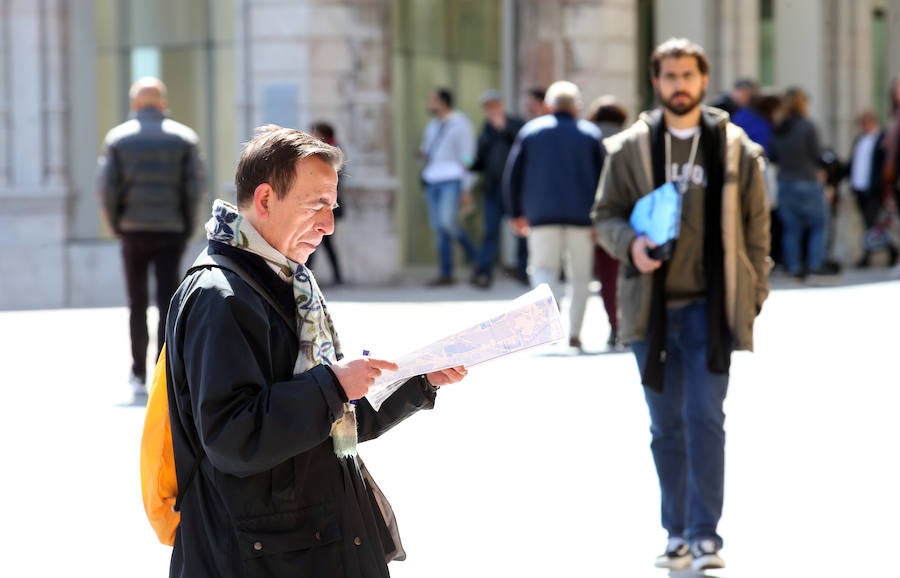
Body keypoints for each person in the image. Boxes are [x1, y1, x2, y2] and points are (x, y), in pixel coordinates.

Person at [164, 125, 467, 578]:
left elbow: (327, 424)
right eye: (317, 206)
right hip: (259, 555)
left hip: (304, 542)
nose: (328, 225)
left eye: (333, 207)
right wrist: (332, 384)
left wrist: (418, 380)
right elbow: (232, 438)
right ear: (265, 200)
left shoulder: (285, 280)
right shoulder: (220, 295)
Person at [592, 38, 770, 572]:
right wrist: (632, 245)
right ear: (657, 82)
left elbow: (759, 229)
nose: (679, 84)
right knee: (665, 424)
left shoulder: (735, 147)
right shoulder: (630, 149)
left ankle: (704, 534)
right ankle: (676, 534)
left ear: (702, 79)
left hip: (711, 310)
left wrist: (754, 292)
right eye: (669, 75)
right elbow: (605, 216)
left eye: (688, 74)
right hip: (652, 309)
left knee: (704, 419)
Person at [97, 76, 205, 398]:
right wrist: (187, 226)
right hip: (170, 230)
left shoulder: (118, 139)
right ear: (162, 103)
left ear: (134, 104)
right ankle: (164, 370)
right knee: (167, 303)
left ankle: (137, 372)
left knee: (137, 303)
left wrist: (117, 225)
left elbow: (106, 189)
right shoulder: (184, 138)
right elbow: (194, 189)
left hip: (133, 230)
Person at [504, 80, 605, 351]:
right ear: (577, 107)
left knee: (542, 270)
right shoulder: (590, 134)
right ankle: (575, 334)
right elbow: (604, 180)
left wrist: (516, 213)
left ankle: (551, 323)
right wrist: (603, 218)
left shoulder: (531, 132)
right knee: (581, 277)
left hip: (541, 216)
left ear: (548, 106)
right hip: (583, 219)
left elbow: (513, 175)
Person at [769, 87, 838, 280]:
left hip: (785, 182)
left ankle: (795, 266)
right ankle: (815, 264)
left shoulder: (779, 128)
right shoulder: (807, 126)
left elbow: (773, 156)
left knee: (792, 228)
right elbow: (816, 155)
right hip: (807, 180)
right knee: (819, 224)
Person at [418, 87, 478, 286]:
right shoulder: (433, 126)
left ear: (443, 102)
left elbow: (468, 155)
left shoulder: (461, 124)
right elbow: (427, 149)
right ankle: (446, 273)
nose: (429, 103)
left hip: (452, 179)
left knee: (447, 224)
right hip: (433, 180)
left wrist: (467, 186)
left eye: (432, 99)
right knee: (439, 228)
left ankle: (478, 259)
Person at [469, 89, 525, 288]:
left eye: (493, 105)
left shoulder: (517, 124)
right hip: (492, 189)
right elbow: (479, 160)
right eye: (487, 107)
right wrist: (469, 162)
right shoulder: (486, 129)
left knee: (520, 229)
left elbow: (523, 149)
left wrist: (504, 128)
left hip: (515, 188)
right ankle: (484, 272)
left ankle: (523, 269)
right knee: (490, 231)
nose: (490, 110)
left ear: (501, 105)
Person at [585, 95, 628, 348]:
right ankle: (628, 324)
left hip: (601, 217)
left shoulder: (588, 138)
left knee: (607, 277)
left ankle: (614, 325)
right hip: (629, 217)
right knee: (628, 275)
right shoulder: (630, 140)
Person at [845, 110, 898, 267]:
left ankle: (868, 255)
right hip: (859, 187)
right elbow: (853, 162)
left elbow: (887, 164)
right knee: (869, 223)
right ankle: (890, 249)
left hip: (875, 188)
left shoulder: (883, 138)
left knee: (871, 222)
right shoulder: (859, 139)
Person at [307, 121, 345, 284]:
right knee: (322, 243)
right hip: (322, 203)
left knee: (318, 241)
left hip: (328, 204)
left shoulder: (333, 152)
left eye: (314, 133)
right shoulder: (322, 152)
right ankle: (335, 276)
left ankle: (306, 275)